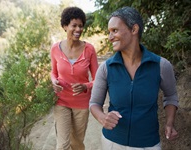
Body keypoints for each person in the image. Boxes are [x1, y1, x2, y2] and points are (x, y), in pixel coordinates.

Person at [89, 6, 179, 150]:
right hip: (112, 142)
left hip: (148, 144)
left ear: (134, 29)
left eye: (115, 30)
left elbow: (171, 96)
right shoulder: (106, 68)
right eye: (109, 32)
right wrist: (102, 117)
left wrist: (169, 123)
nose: (110, 37)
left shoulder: (161, 65)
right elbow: (94, 103)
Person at [50, 6, 98, 150]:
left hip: (82, 104)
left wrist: (86, 86)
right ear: (65, 26)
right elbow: (53, 72)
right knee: (62, 145)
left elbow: (98, 79)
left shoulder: (89, 49)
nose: (78, 29)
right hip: (61, 101)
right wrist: (53, 81)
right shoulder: (55, 49)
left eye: (81, 26)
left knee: (77, 143)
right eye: (74, 25)